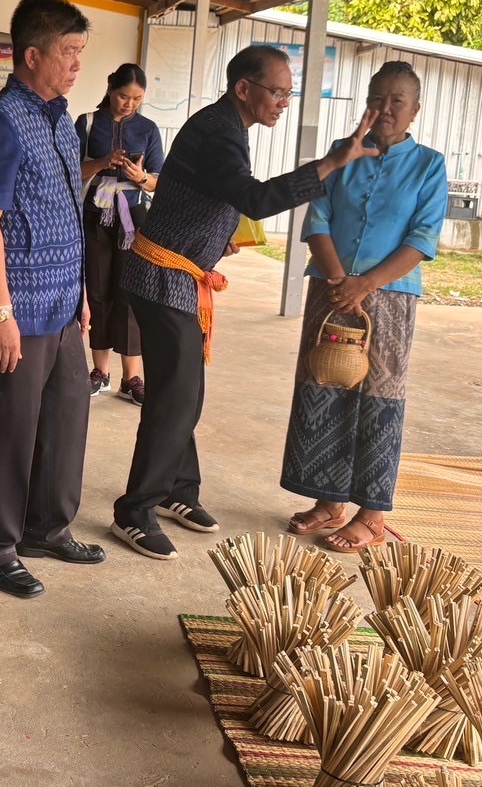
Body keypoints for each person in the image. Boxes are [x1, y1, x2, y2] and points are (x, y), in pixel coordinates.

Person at [111, 45, 380, 560]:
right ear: (243, 89)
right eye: (276, 91)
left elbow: (212, 194)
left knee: (184, 390)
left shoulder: (227, 127)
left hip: (179, 274)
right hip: (161, 277)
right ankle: (136, 509)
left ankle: (176, 489)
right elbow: (253, 197)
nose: (283, 101)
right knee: (176, 396)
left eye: (287, 92)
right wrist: (331, 161)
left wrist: (214, 235)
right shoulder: (219, 131)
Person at [0, 0, 104, 600]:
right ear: (32, 54)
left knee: (67, 419)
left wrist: (83, 296)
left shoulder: (60, 119)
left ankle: (48, 528)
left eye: (80, 53)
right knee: (8, 431)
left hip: (64, 307)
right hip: (15, 311)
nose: (76, 65)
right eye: (69, 53)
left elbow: (69, 212)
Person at [281, 61, 448, 553]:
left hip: (390, 297)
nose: (387, 108)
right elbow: (318, 217)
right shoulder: (342, 153)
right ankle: (328, 500)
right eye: (379, 97)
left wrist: (366, 285)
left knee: (379, 397)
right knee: (324, 384)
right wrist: (339, 280)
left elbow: (422, 237)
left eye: (398, 100)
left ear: (415, 110)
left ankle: (371, 514)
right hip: (330, 289)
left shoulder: (429, 165)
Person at [76, 63, 165, 405]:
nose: (129, 104)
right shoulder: (87, 122)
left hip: (134, 219)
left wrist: (140, 176)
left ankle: (133, 377)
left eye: (137, 99)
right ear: (110, 88)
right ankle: (100, 372)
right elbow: (71, 168)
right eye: (123, 96)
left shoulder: (148, 128)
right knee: (98, 292)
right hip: (96, 214)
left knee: (130, 295)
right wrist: (101, 163)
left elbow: (160, 181)